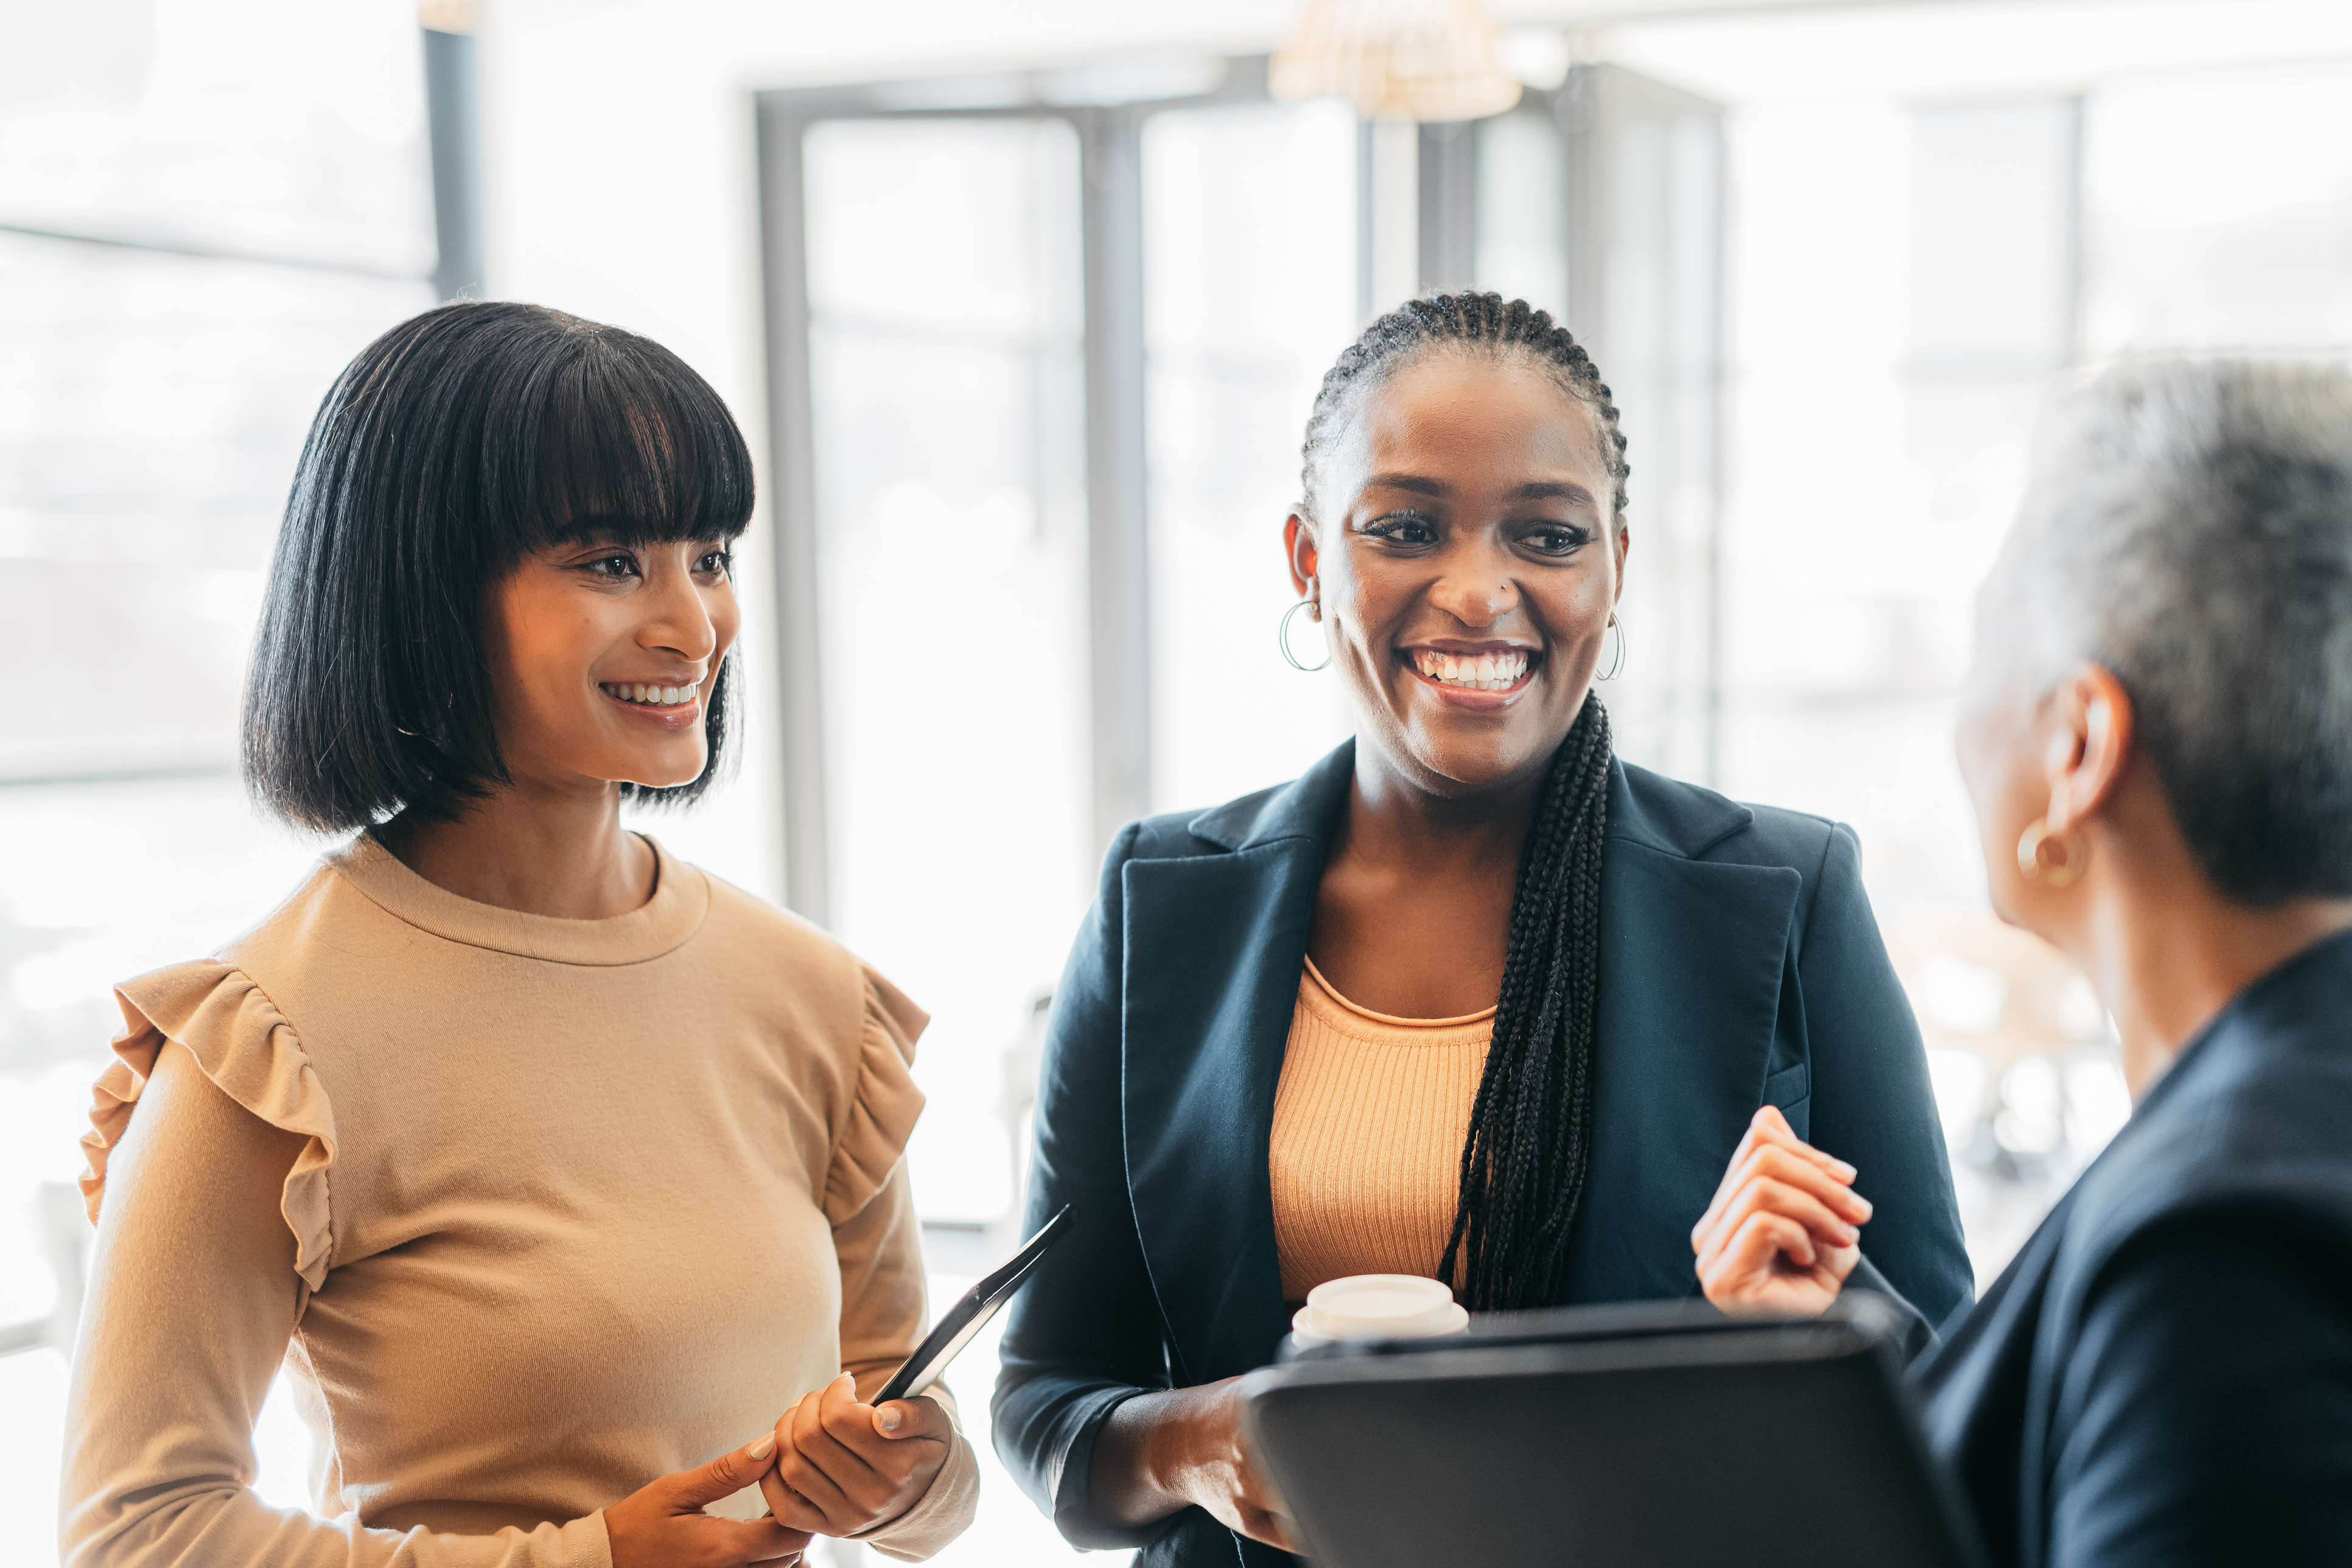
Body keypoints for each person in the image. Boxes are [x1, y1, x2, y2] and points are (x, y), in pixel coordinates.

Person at [993, 291, 1973, 1566]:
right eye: (1405, 528)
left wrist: (1832, 1312)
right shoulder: (1161, 898)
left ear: (1617, 565)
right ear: (1307, 560)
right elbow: (1046, 1395)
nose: (1475, 591)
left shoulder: (1788, 894)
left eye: (1546, 534)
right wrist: (1210, 1440)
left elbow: (1963, 1406)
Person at [60, 303, 978, 1568]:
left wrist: (906, 1474)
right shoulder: (273, 1037)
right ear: (422, 591)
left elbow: (910, 1432)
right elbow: (133, 1531)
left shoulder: (810, 994)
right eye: (609, 563)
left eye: (707, 554)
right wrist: (582, 1562)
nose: (691, 623)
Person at [1693, 358, 2352, 1563]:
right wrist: (1862, 1347)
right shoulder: (2286, 1112)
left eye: (1982, 639)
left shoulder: (2220, 1250)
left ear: (2081, 742)